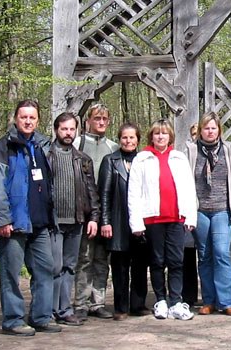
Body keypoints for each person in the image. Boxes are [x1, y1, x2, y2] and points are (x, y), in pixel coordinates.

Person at [0, 99, 61, 336]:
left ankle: (41, 316)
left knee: (45, 270)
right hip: (14, 223)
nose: (28, 121)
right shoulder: (2, 148)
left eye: (32, 117)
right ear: (15, 119)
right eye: (23, 117)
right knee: (11, 274)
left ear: (38, 120)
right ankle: (13, 320)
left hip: (40, 223)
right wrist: (2, 220)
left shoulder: (43, 146)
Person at [128, 119, 197, 321]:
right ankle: (161, 300)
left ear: (170, 136)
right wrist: (136, 222)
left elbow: (189, 188)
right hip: (152, 218)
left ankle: (176, 301)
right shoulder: (142, 159)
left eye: (164, 133)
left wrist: (190, 215)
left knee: (176, 260)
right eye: (157, 133)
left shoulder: (179, 158)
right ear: (151, 136)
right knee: (157, 261)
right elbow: (134, 192)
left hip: (176, 218)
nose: (160, 137)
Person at [186, 112, 231, 316]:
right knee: (204, 255)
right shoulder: (191, 151)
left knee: (221, 253)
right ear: (200, 130)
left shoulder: (229, 151)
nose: (210, 132)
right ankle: (209, 301)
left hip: (222, 210)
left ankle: (227, 301)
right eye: (206, 128)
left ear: (219, 130)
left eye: (213, 128)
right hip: (199, 211)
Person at [48, 112, 101, 326]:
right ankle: (48, 310)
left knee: (70, 266)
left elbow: (91, 191)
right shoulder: (45, 156)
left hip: (76, 220)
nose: (68, 133)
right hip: (52, 222)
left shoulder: (83, 159)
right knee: (54, 266)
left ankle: (64, 309)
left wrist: (94, 217)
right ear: (56, 130)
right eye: (64, 129)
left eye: (72, 129)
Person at [98, 122, 149, 320]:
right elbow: (104, 194)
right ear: (119, 140)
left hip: (140, 221)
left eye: (132, 137)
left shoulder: (144, 160)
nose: (128, 141)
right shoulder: (110, 161)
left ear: (138, 139)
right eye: (124, 137)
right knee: (119, 267)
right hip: (118, 221)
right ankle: (120, 307)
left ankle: (138, 304)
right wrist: (105, 221)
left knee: (140, 265)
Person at [73, 103, 118, 319]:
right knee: (84, 258)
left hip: (107, 212)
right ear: (88, 121)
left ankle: (98, 302)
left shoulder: (114, 147)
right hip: (84, 211)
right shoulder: (77, 144)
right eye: (96, 118)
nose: (100, 122)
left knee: (102, 259)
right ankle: (80, 302)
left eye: (104, 119)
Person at [182, 123, 199, 307]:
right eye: (193, 134)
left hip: (208, 209)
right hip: (188, 209)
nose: (196, 137)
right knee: (187, 254)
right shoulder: (184, 155)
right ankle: (188, 295)